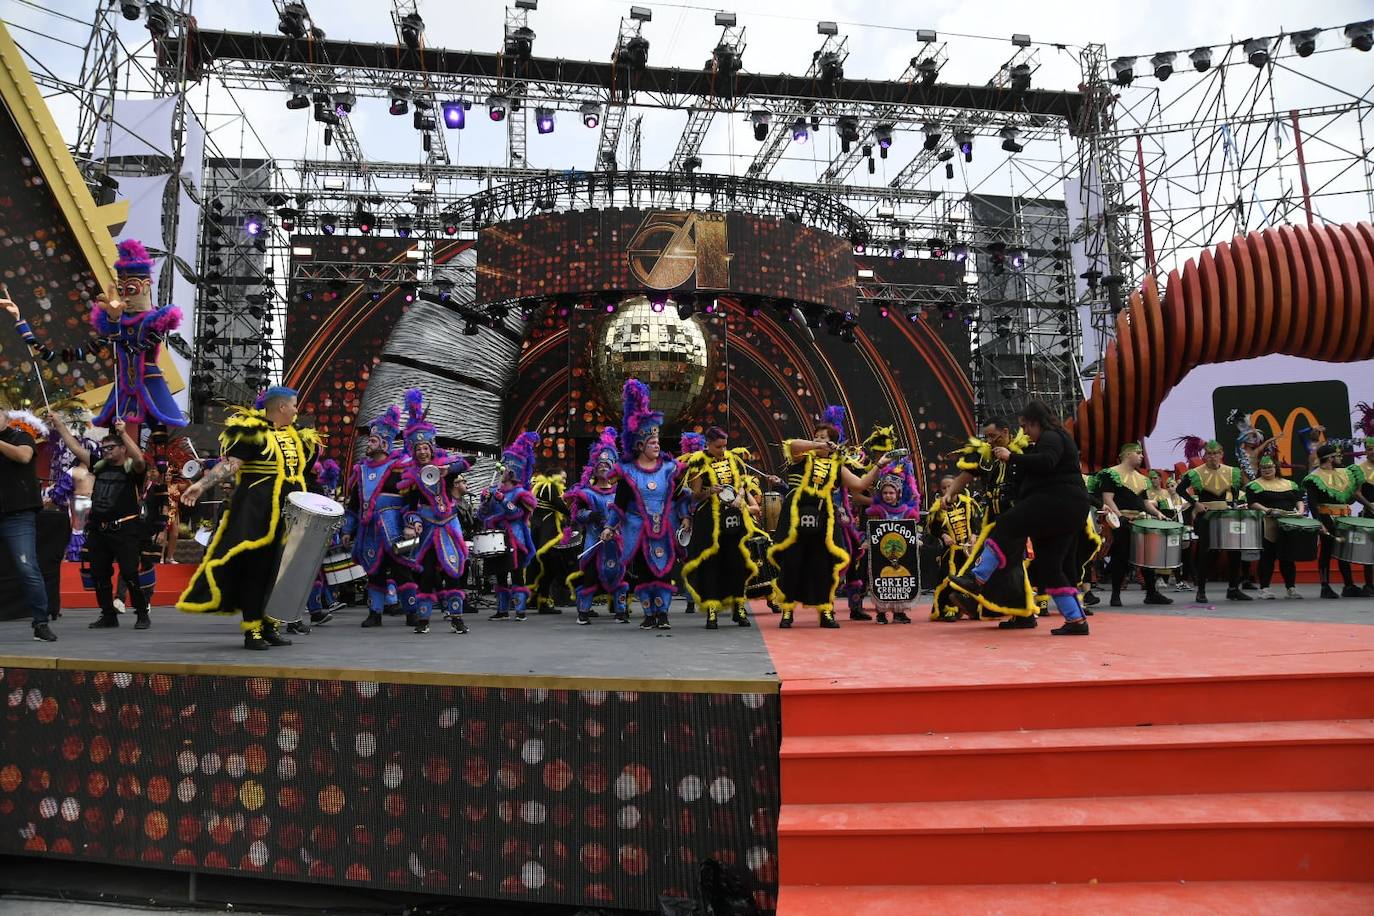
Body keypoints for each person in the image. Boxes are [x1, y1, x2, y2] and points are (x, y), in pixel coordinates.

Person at [176, 387, 322, 650]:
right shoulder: (252, 433)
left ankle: (270, 625)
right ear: (281, 408)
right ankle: (252, 630)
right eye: (294, 405)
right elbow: (230, 465)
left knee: (279, 571)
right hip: (259, 514)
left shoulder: (296, 435)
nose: (297, 411)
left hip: (289, 513)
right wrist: (201, 485)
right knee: (257, 570)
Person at [949, 400, 1093, 636]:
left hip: (1058, 503)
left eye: (1026, 426)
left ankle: (977, 579)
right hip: (1066, 509)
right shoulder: (1050, 440)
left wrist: (1010, 457)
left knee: (1006, 522)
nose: (1024, 431)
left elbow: (1047, 462)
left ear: (1037, 422)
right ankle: (1077, 621)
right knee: (1050, 566)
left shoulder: (1051, 437)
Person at [767, 408, 891, 629]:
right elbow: (793, 444)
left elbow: (860, 485)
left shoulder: (837, 466)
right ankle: (787, 611)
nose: (818, 440)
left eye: (824, 438)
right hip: (796, 516)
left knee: (823, 564)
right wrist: (816, 445)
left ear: (834, 442)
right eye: (816, 436)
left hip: (823, 517)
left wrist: (878, 466)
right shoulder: (800, 457)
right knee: (792, 562)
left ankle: (826, 611)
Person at [49, 413, 153, 629]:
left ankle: (142, 613)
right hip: (99, 530)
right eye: (104, 448)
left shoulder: (132, 471)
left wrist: (124, 433)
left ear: (122, 449)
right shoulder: (100, 466)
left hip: (125, 528)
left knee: (130, 573)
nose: (106, 452)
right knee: (99, 573)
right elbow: (76, 449)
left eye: (111, 448)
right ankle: (108, 615)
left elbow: (140, 460)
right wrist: (59, 425)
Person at [940, 419, 1038, 625]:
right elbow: (965, 476)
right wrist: (949, 493)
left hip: (1016, 517)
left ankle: (974, 587)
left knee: (1004, 562)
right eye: (987, 437)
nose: (990, 441)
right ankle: (1021, 615)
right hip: (993, 518)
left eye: (993, 436)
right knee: (1010, 567)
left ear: (1005, 431)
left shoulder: (1025, 453)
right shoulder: (985, 456)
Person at [396, 389, 472, 634]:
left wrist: (447, 470)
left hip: (448, 525)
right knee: (427, 573)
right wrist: (413, 521)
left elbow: (471, 461)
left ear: (431, 447)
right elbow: (408, 507)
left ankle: (457, 618)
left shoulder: (445, 466)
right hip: (428, 526)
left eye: (425, 448)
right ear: (413, 451)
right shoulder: (410, 476)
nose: (422, 452)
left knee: (453, 571)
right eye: (417, 449)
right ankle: (424, 620)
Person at [610, 379, 684, 630]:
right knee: (643, 573)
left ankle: (663, 614)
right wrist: (611, 526)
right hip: (638, 529)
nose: (657, 443)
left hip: (664, 528)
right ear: (639, 445)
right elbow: (620, 503)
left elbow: (677, 497)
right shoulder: (628, 472)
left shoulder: (669, 469)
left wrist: (685, 517)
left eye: (658, 440)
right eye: (652, 441)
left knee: (663, 571)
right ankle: (649, 614)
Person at [344, 405, 416, 628]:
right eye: (370, 439)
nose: (369, 443)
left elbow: (411, 498)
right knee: (373, 571)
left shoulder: (399, 468)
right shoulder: (361, 470)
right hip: (369, 531)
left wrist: (412, 523)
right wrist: (348, 529)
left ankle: (412, 612)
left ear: (385, 444)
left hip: (394, 528)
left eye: (374, 440)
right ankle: (375, 613)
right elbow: (355, 504)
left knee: (402, 571)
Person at [681, 426, 758, 630]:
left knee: (737, 562)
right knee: (711, 564)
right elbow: (695, 495)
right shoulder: (698, 461)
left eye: (725, 446)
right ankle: (712, 609)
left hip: (733, 519)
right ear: (708, 444)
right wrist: (709, 491)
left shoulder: (733, 459)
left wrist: (740, 497)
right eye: (718, 447)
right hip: (709, 520)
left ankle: (738, 607)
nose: (723, 450)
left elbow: (743, 482)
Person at [0, 410, 56, 641]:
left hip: (17, 513)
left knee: (27, 567)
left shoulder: (20, 437)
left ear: (5, 419)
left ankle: (40, 623)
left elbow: (23, 457)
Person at [1095, 443, 1173, 607]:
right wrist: (1119, 516)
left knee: (1147, 557)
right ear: (1127, 454)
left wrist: (1158, 514)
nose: (1141, 456)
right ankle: (1115, 595)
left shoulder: (1142, 479)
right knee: (1121, 557)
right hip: (1121, 522)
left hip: (1140, 521)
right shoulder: (1111, 474)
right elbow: (1108, 499)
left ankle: (1151, 593)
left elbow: (1144, 503)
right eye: (1138, 453)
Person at [564, 427, 628, 625]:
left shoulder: (622, 491)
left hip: (617, 542)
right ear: (594, 468)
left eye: (607, 464)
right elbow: (578, 514)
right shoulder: (586, 492)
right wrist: (591, 515)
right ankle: (583, 612)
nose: (603, 467)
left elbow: (630, 513)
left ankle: (621, 611)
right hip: (594, 541)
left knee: (619, 574)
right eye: (600, 465)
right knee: (590, 576)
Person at [1176, 439, 1248, 604]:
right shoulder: (1196, 472)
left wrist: (1235, 505)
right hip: (1205, 515)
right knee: (1205, 552)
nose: (1213, 456)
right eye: (1209, 453)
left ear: (1221, 454)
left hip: (1226, 514)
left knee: (1234, 551)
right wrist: (1195, 503)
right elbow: (1180, 489)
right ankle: (1201, 590)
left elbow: (1236, 493)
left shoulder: (1232, 472)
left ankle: (1233, 589)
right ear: (1204, 455)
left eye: (1216, 453)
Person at [479, 431, 541, 621]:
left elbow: (517, 513)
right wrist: (486, 501)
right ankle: (502, 610)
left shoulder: (521, 493)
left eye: (506, 467)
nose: (503, 469)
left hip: (516, 538)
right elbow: (482, 515)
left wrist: (503, 499)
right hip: (497, 538)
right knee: (499, 575)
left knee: (516, 575)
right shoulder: (494, 489)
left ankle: (520, 610)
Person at [1303, 442, 1374, 599]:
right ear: (1329, 458)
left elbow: (1350, 496)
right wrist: (1318, 522)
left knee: (1344, 551)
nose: (1340, 458)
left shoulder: (1344, 473)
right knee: (1327, 551)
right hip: (1326, 516)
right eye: (1337, 456)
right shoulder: (1314, 477)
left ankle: (1348, 585)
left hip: (1344, 517)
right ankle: (1325, 586)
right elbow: (1312, 503)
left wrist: (1366, 504)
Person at [864, 458, 921, 624]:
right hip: (880, 555)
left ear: (898, 494)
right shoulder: (876, 511)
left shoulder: (908, 513)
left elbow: (915, 529)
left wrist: (917, 539)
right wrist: (867, 541)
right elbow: (869, 530)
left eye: (891, 493)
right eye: (885, 493)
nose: (888, 496)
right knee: (881, 579)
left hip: (903, 554)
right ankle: (881, 612)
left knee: (900, 579)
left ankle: (899, 612)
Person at [1244, 456, 1306, 599]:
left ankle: (1291, 588)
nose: (1267, 470)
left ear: (1276, 468)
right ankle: (1264, 589)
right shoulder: (1254, 485)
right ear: (1259, 469)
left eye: (1270, 467)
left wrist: (1300, 511)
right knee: (1267, 557)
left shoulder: (1289, 484)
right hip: (1268, 523)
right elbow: (1252, 503)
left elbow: (1298, 500)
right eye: (1264, 468)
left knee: (1288, 557)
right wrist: (1267, 510)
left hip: (1289, 523)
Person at [925, 474, 980, 621]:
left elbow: (976, 522)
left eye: (950, 486)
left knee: (973, 579)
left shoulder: (968, 503)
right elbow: (932, 529)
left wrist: (974, 535)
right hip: (950, 552)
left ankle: (973, 607)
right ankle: (948, 609)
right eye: (944, 487)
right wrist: (943, 536)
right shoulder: (938, 507)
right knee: (947, 579)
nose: (948, 489)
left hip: (969, 551)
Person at [528, 471, 571, 614]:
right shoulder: (549, 486)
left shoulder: (542, 488)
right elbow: (561, 505)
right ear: (554, 477)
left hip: (541, 533)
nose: (564, 481)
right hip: (546, 535)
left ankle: (541, 600)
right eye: (563, 478)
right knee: (550, 568)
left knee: (544, 570)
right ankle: (540, 599)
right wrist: (575, 510)